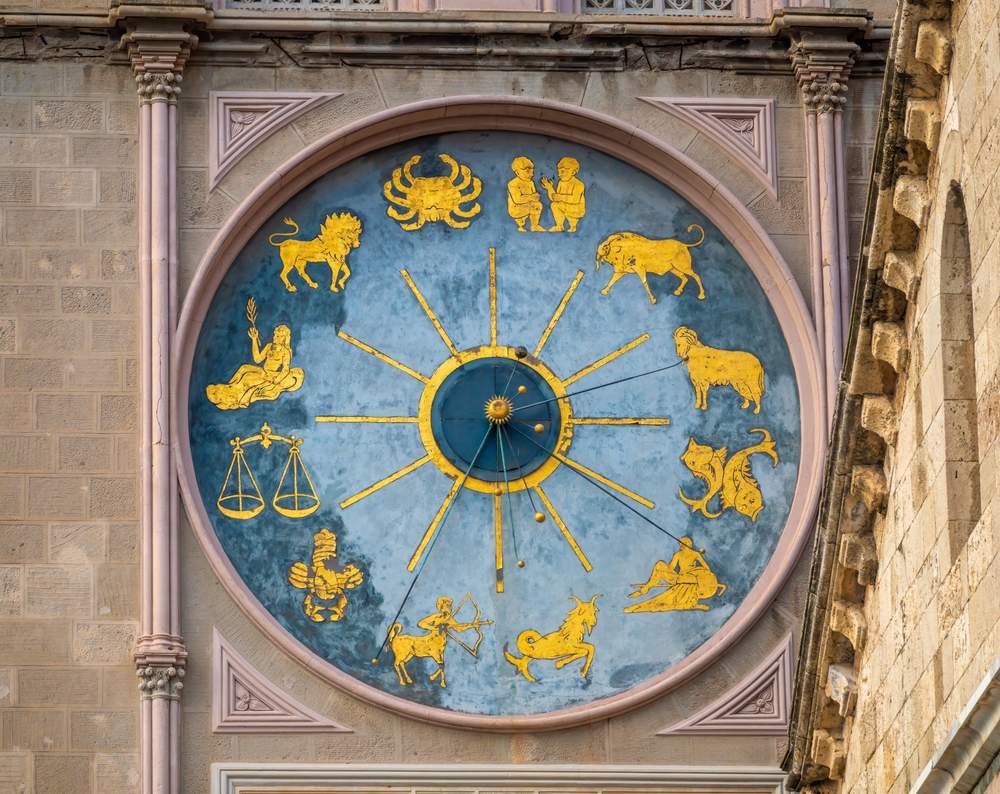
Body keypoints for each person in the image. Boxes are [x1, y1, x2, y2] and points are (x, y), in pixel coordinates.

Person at [206, 323, 304, 410]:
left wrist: (271, 385)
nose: (275, 337)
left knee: (248, 380)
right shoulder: (269, 346)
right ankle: (230, 387)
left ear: (284, 338)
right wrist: (254, 339)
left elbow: (285, 371)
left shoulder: (285, 352)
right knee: (244, 368)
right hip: (263, 371)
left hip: (271, 376)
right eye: (275, 334)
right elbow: (257, 359)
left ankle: (235, 398)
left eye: (278, 336)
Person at [624, 537, 725, 612]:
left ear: (689, 544)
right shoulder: (678, 555)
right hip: (678, 578)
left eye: (684, 543)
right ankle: (646, 588)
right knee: (660, 564)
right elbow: (671, 567)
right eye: (681, 544)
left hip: (692, 578)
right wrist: (664, 572)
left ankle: (645, 588)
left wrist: (696, 574)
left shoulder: (695, 554)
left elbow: (706, 569)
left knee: (682, 577)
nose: (682, 546)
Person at [541, 157, 586, 232]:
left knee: (560, 206)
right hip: (565, 206)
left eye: (562, 172)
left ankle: (573, 225)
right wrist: (549, 188)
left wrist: (561, 197)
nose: (559, 175)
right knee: (554, 204)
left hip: (576, 209)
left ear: (573, 172)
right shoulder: (561, 183)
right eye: (559, 172)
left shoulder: (578, 184)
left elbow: (575, 200)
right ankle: (559, 226)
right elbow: (555, 199)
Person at [507, 156, 545, 232]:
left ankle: (535, 225)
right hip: (516, 208)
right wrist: (532, 197)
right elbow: (517, 199)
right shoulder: (513, 183)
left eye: (532, 172)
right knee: (534, 205)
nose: (531, 174)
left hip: (528, 205)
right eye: (528, 172)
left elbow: (534, 197)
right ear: (518, 172)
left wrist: (535, 197)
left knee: (538, 205)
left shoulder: (531, 183)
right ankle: (520, 222)